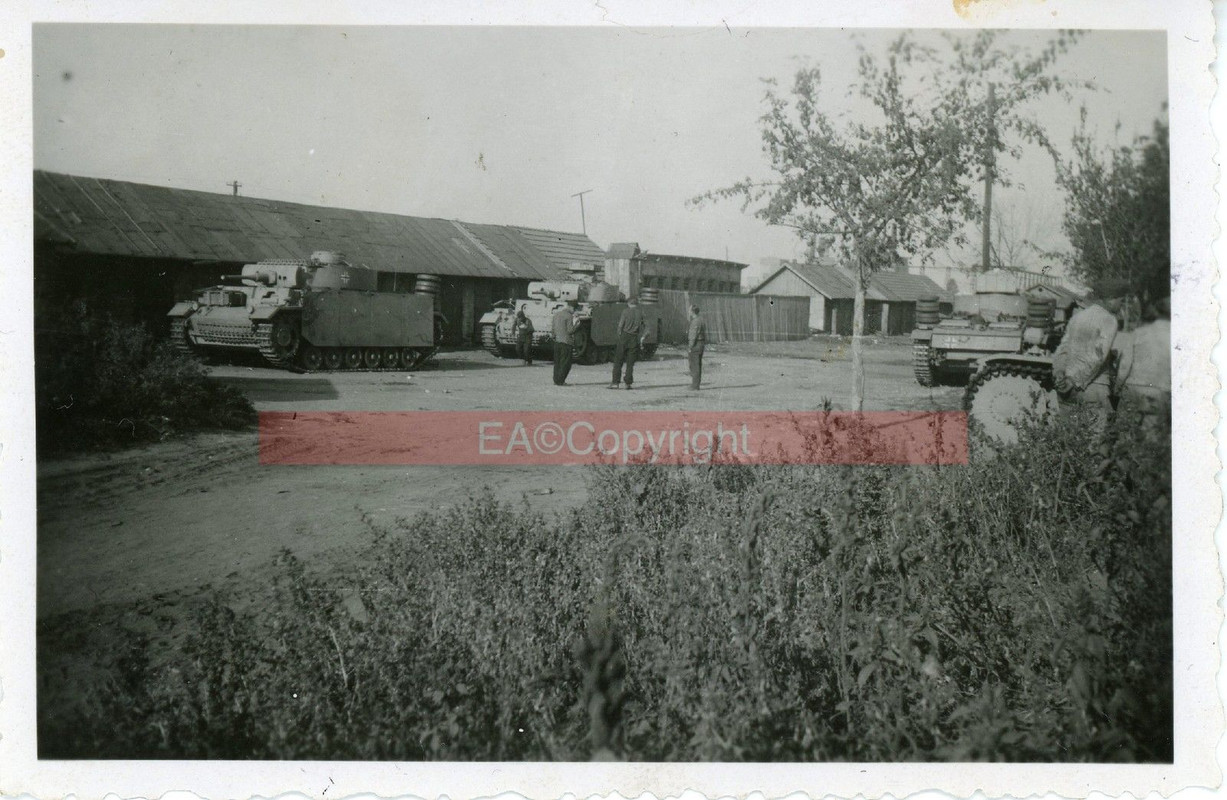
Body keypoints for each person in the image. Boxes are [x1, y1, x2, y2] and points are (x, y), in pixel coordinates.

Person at [610, 296, 647, 390]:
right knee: (630, 363)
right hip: (634, 338)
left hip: (624, 337)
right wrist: (643, 337)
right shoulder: (641, 312)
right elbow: (647, 328)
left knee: (618, 361)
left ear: (628, 303)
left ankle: (615, 383)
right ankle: (628, 383)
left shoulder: (625, 311)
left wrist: (619, 336)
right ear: (636, 303)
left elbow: (620, 326)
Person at [551, 300, 577, 386]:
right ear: (570, 307)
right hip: (566, 342)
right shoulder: (569, 316)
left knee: (557, 362)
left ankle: (556, 380)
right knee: (565, 363)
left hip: (557, 342)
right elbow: (570, 330)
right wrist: (577, 324)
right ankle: (561, 381)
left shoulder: (556, 314)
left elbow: (553, 329)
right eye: (574, 308)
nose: (574, 311)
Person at [687, 304, 706, 390]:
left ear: (692, 311)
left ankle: (695, 385)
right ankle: (696, 384)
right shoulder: (701, 320)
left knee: (694, 365)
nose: (688, 311)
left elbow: (693, 335)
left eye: (689, 310)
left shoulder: (695, 321)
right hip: (701, 343)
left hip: (696, 344)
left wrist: (690, 346)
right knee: (698, 364)